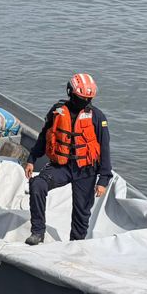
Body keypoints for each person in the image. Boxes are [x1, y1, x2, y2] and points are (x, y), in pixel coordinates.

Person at [22, 73, 111, 245]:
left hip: (86, 170)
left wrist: (103, 179)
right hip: (60, 166)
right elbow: (44, 137)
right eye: (81, 97)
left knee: (81, 212)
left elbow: (105, 148)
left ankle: (75, 244)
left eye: (88, 98)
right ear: (70, 92)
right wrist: (32, 159)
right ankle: (38, 232)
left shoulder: (98, 117)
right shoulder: (57, 111)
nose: (85, 102)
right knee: (38, 185)